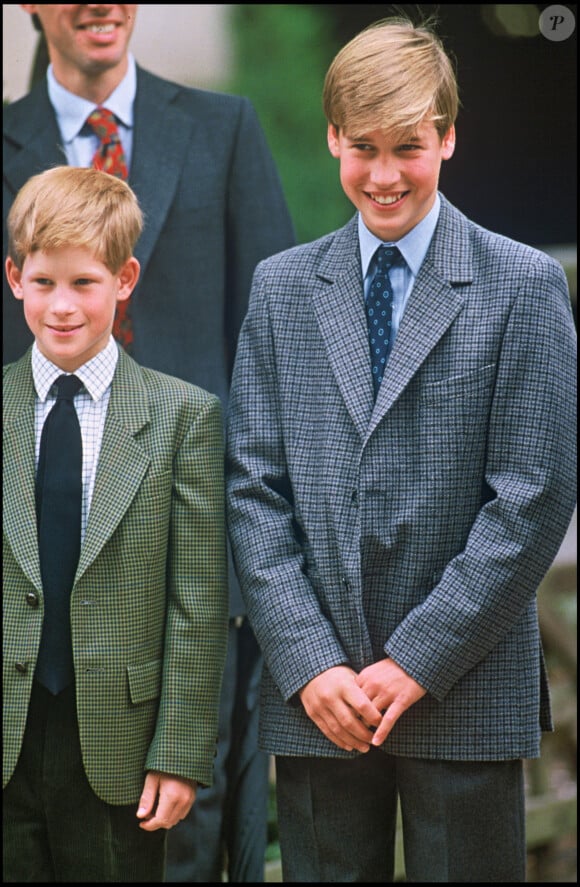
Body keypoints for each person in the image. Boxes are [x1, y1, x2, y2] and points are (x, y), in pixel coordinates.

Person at [225, 16, 577, 883]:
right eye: (365, 148)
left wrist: (417, 659)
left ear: (449, 136)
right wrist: (309, 663)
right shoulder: (281, 290)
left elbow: (533, 495)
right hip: (324, 695)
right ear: (334, 138)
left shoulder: (523, 286)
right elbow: (251, 489)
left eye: (409, 147)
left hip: (464, 681)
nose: (384, 175)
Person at [3, 5, 295, 882]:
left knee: (197, 831)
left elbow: (267, 346)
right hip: (33, 575)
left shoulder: (223, 128)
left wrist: (257, 553)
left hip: (198, 562)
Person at [3, 165, 229, 882]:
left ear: (125, 278)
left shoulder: (182, 417)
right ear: (14, 278)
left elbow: (197, 605)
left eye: (84, 283)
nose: (62, 306)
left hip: (121, 747)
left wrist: (180, 751)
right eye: (43, 283)